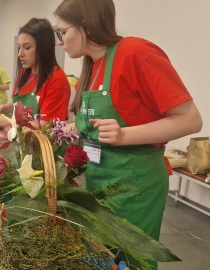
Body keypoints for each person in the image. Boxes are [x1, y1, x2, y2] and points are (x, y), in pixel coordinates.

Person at [54, 0, 202, 267]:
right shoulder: (91, 66)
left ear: (85, 24)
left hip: (135, 183)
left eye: (62, 31)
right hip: (100, 178)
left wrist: (124, 135)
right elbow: (94, 126)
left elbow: (191, 120)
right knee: (105, 256)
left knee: (130, 260)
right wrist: (69, 129)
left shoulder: (135, 53)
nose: (61, 41)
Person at [0, 18, 70, 131]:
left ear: (44, 47)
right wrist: (2, 108)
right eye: (19, 47)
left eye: (27, 48)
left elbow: (46, 127)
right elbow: (21, 105)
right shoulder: (24, 74)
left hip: (45, 147)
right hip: (23, 146)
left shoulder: (57, 79)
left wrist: (4, 121)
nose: (20, 54)